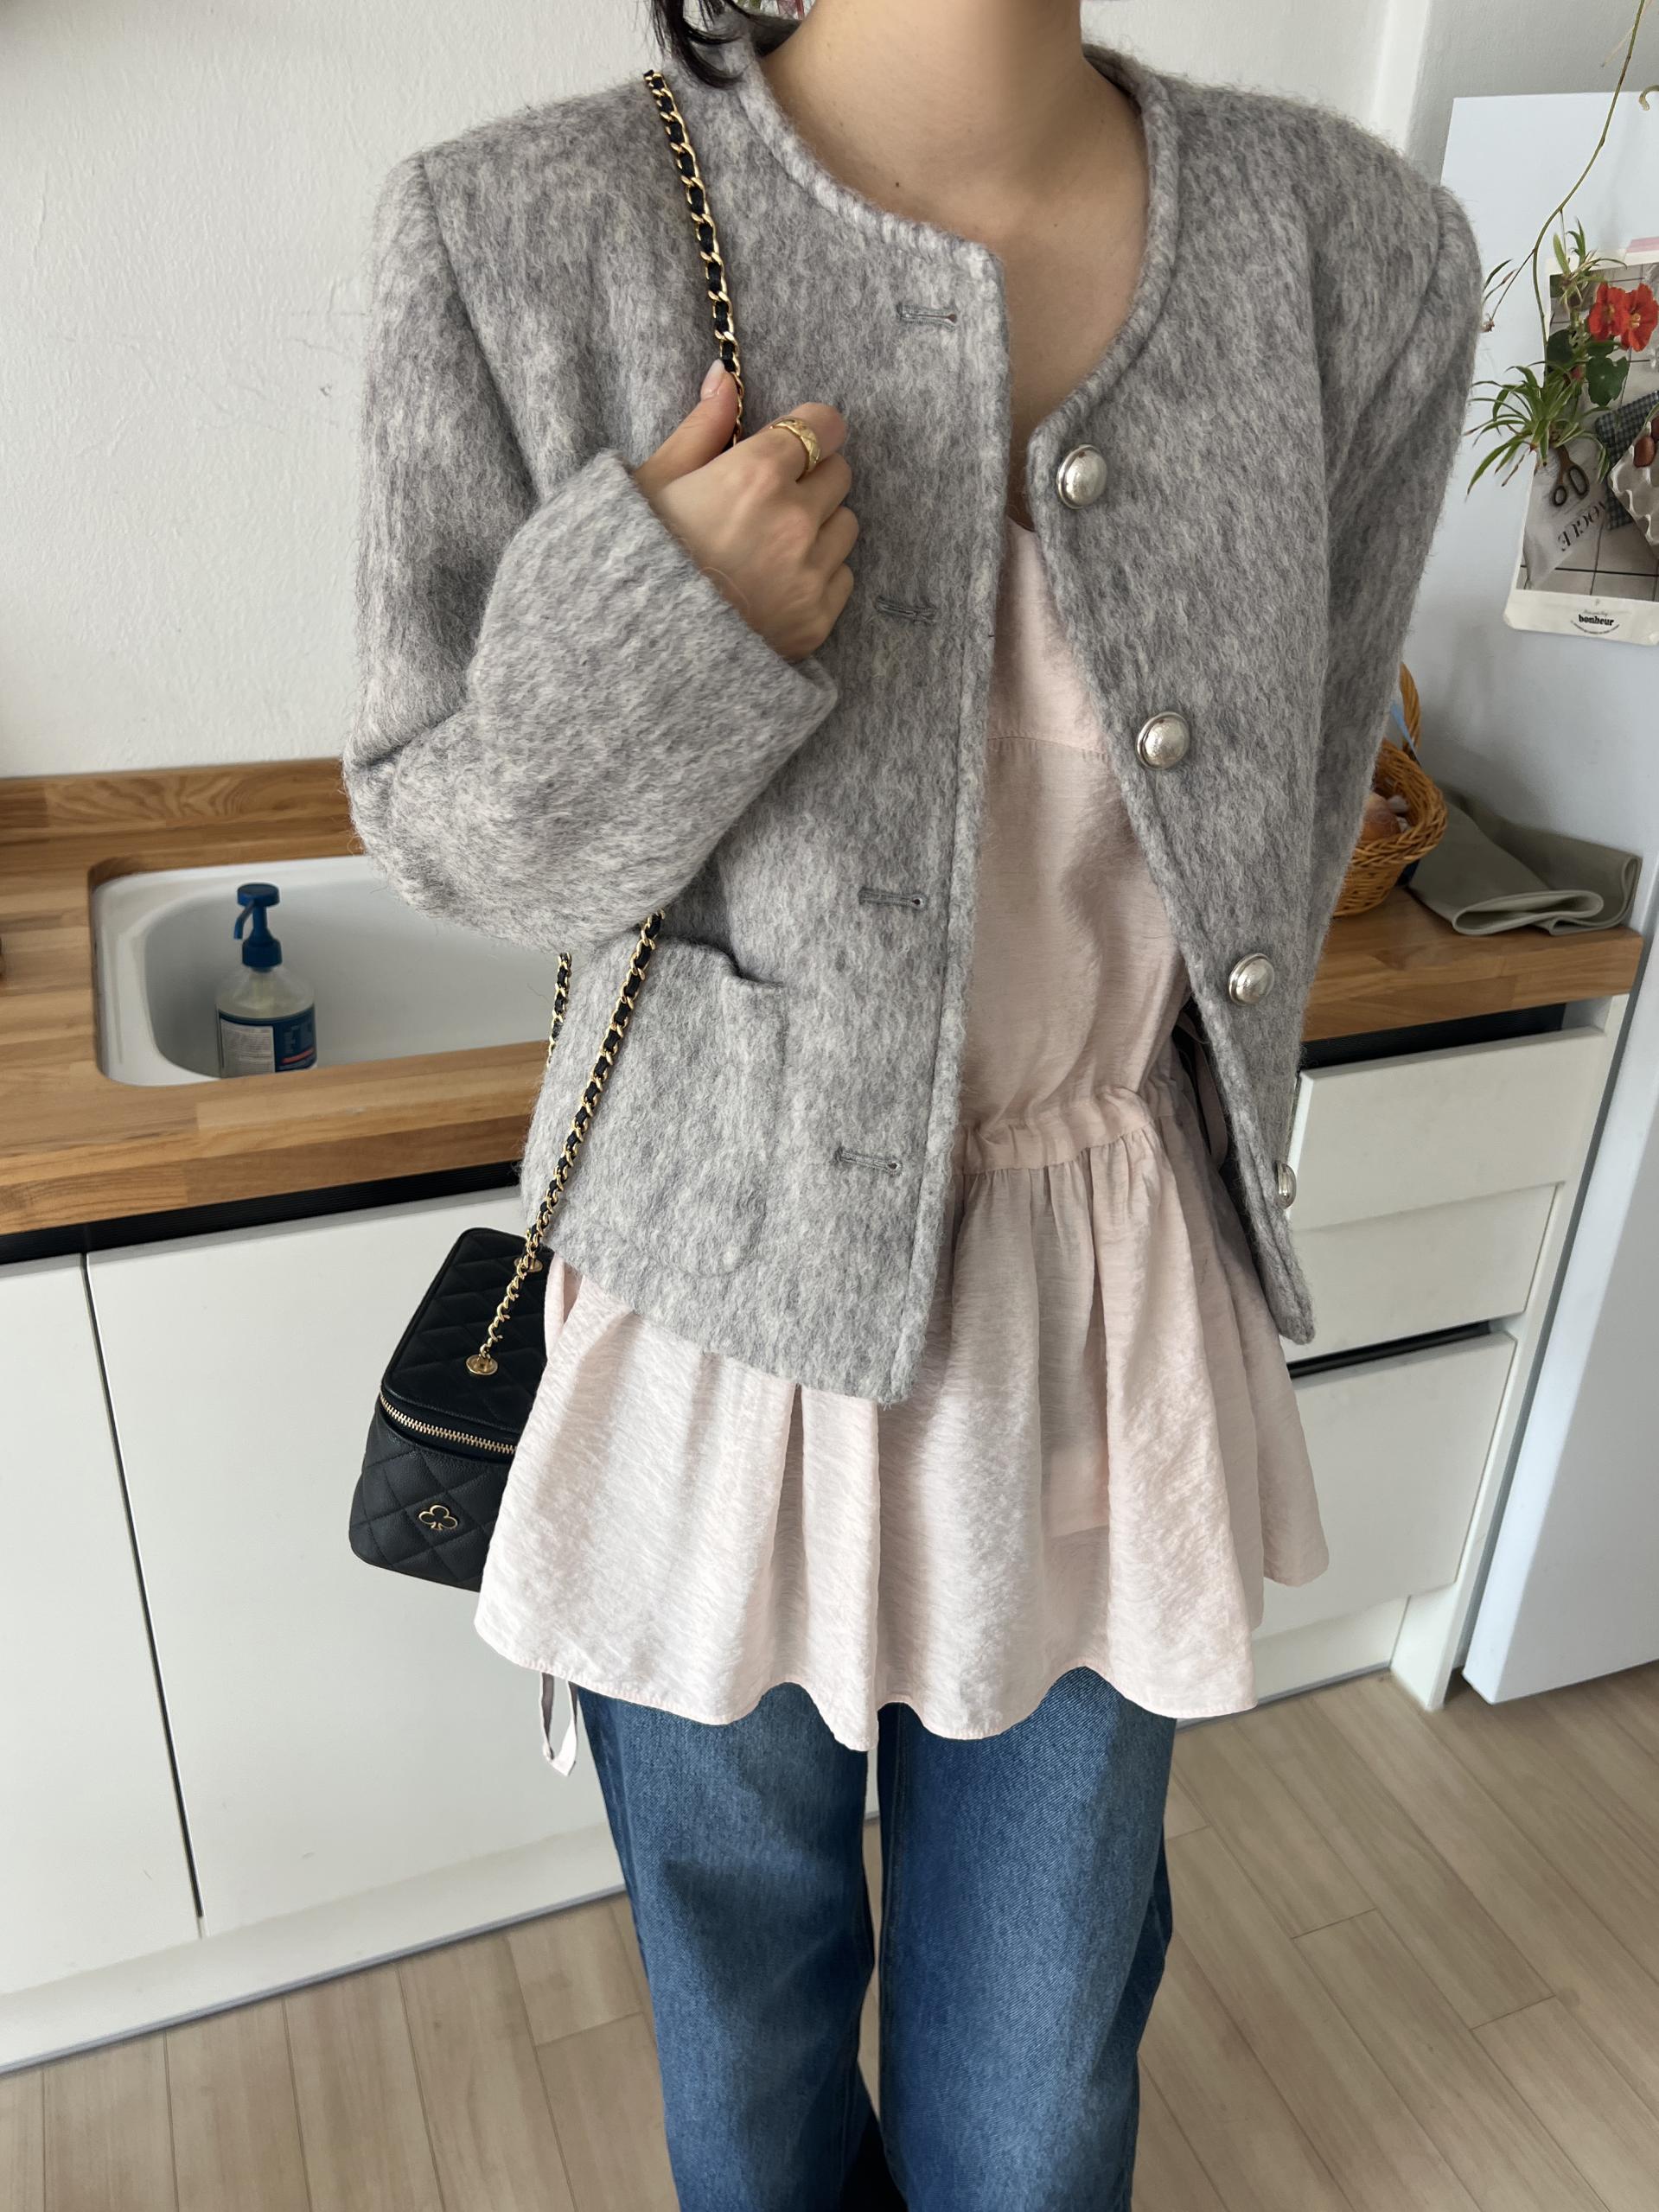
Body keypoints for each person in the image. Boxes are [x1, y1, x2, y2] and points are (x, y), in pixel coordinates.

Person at [346, 1, 1484, 2202]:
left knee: (1037, 2082)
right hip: (709, 1326)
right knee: (745, 2042)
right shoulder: (520, 234)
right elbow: (456, 848)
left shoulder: (1358, 253)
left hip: (1106, 1312)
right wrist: (667, 624)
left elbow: (1292, 805)